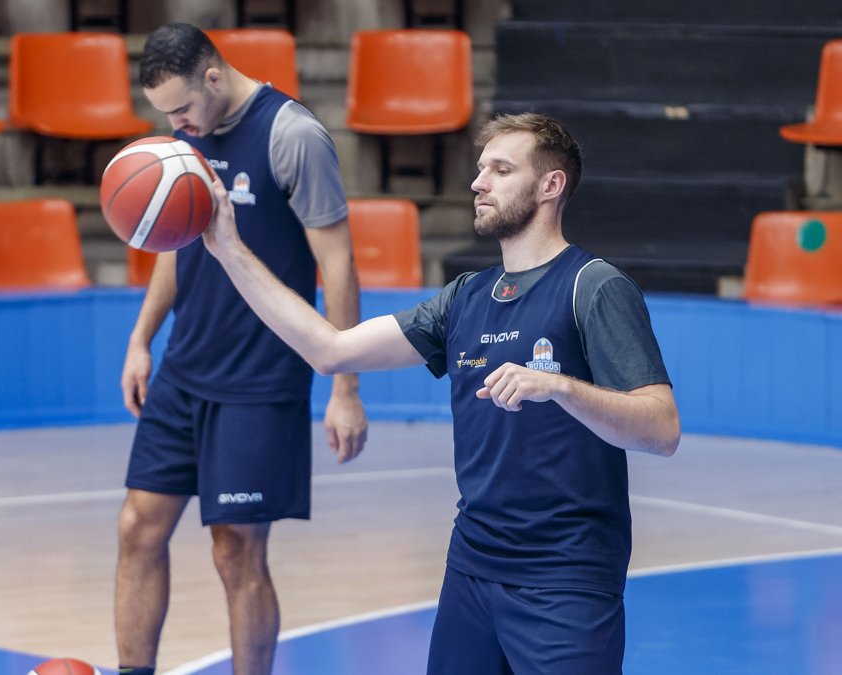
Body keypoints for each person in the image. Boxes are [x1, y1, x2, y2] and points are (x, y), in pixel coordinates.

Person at [200, 112, 681, 674]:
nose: (479, 183)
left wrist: (560, 387)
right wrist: (228, 249)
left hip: (565, 577)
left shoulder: (593, 287)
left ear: (551, 186)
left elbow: (662, 429)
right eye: (481, 170)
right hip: (472, 567)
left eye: (501, 170)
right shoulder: (466, 298)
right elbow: (329, 349)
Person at [114, 22, 368, 675]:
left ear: (214, 77)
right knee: (137, 527)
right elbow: (177, 247)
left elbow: (336, 263)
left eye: (181, 108)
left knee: (236, 552)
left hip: (261, 380)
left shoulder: (293, 136)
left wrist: (345, 385)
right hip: (184, 368)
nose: (177, 124)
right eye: (166, 115)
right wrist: (142, 339)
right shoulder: (186, 137)